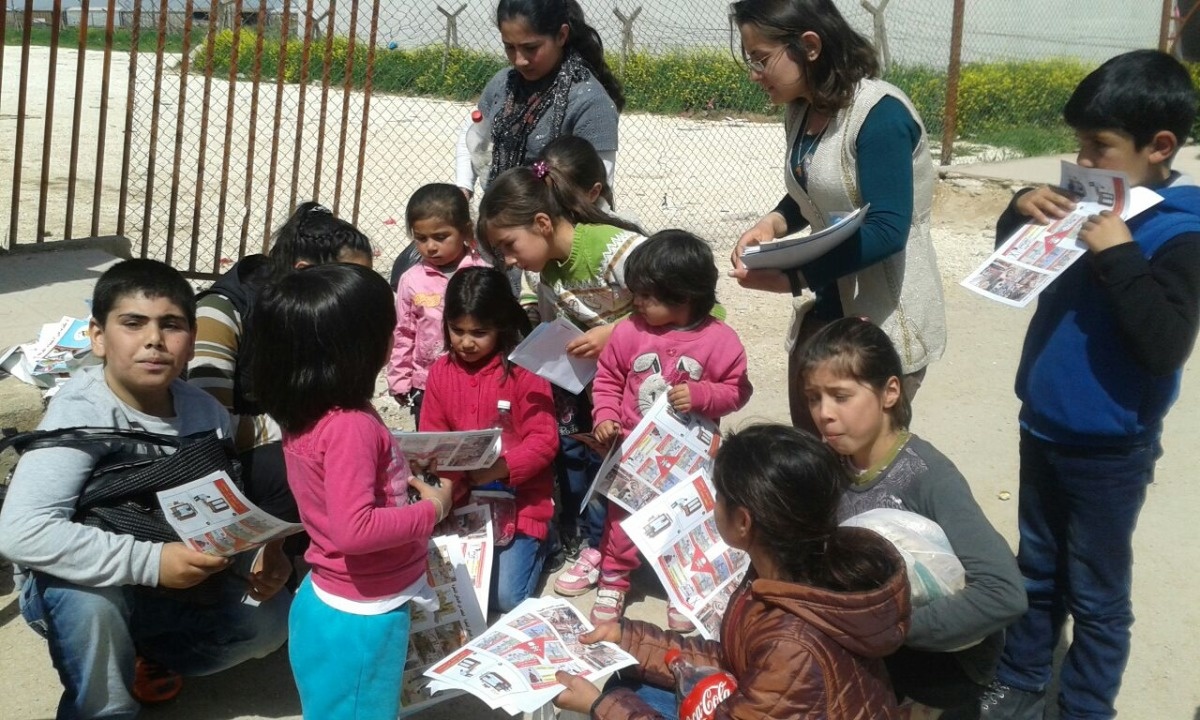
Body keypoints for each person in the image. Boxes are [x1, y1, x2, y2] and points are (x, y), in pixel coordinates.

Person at [978, 50, 1200, 720]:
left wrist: (1120, 253)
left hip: (1111, 447)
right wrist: (1020, 211)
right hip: (1042, 423)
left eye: (1098, 147)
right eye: (1077, 146)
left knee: (1098, 595)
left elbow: (1164, 346)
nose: (1082, 163)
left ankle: (1084, 706)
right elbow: (1008, 264)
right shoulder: (1083, 203)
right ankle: (1019, 678)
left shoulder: (1179, 230)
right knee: (1035, 569)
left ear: (1159, 147)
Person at [0, 259, 291, 719]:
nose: (154, 339)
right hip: (77, 590)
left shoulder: (202, 412)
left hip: (164, 583)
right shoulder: (82, 413)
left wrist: (255, 553)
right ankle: (104, 704)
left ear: (192, 341)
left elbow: (212, 507)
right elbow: (21, 532)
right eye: (132, 323)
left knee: (267, 624)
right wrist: (153, 562)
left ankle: (140, 656)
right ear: (97, 336)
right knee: (92, 602)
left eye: (171, 325)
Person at [551, 424, 911, 719]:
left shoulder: (792, 646)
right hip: (763, 697)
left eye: (719, 494)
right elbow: (734, 657)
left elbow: (766, 664)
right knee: (627, 676)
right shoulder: (788, 569)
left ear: (743, 522)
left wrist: (600, 707)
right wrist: (627, 639)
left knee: (611, 696)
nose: (713, 504)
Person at [726, 0, 946, 431]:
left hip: (884, 315)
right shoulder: (803, 108)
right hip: (831, 304)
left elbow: (886, 229)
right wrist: (773, 222)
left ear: (809, 45)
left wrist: (794, 277)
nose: (755, 74)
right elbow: (815, 189)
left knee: (856, 461)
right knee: (814, 454)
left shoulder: (880, 115)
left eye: (760, 59)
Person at [249, 263, 453, 720]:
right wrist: (433, 509)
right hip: (362, 618)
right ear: (357, 348)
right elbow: (354, 530)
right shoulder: (350, 426)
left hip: (330, 604)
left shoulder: (308, 411)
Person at [799, 317, 1026, 717]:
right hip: (874, 648)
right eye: (814, 398)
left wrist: (887, 629)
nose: (824, 413)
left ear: (890, 392)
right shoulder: (831, 466)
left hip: (938, 670)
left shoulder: (928, 477)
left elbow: (1002, 593)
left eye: (840, 396)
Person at [588, 230, 753, 628]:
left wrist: (702, 395)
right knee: (622, 518)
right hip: (633, 453)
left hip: (689, 460)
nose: (637, 303)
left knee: (686, 520)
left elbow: (737, 389)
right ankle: (615, 577)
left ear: (683, 297)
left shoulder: (720, 341)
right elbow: (608, 377)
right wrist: (605, 415)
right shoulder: (629, 332)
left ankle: (682, 586)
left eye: (647, 296)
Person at [189, 202, 373, 530]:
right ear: (304, 271)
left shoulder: (318, 320)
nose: (360, 296)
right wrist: (303, 430)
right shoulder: (219, 315)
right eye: (350, 281)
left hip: (282, 440)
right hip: (217, 468)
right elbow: (209, 429)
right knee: (299, 468)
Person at [418, 266, 559, 613]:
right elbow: (433, 436)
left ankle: (547, 539)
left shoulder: (524, 370)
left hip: (520, 495)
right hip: (463, 495)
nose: (466, 342)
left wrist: (499, 469)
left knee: (505, 598)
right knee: (447, 587)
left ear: (501, 326)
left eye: (479, 332)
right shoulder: (440, 372)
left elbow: (544, 439)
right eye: (457, 330)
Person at [455, 0, 623, 199]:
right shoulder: (503, 83)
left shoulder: (590, 103)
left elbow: (596, 191)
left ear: (561, 35)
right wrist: (463, 188)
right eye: (509, 47)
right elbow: (474, 132)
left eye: (531, 48)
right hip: (500, 214)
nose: (519, 60)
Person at [386, 184, 491, 426]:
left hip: (476, 379)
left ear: (465, 231)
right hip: (426, 384)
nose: (431, 246)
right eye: (421, 238)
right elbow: (403, 331)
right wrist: (400, 379)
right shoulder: (411, 279)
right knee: (433, 450)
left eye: (441, 237)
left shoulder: (483, 272)